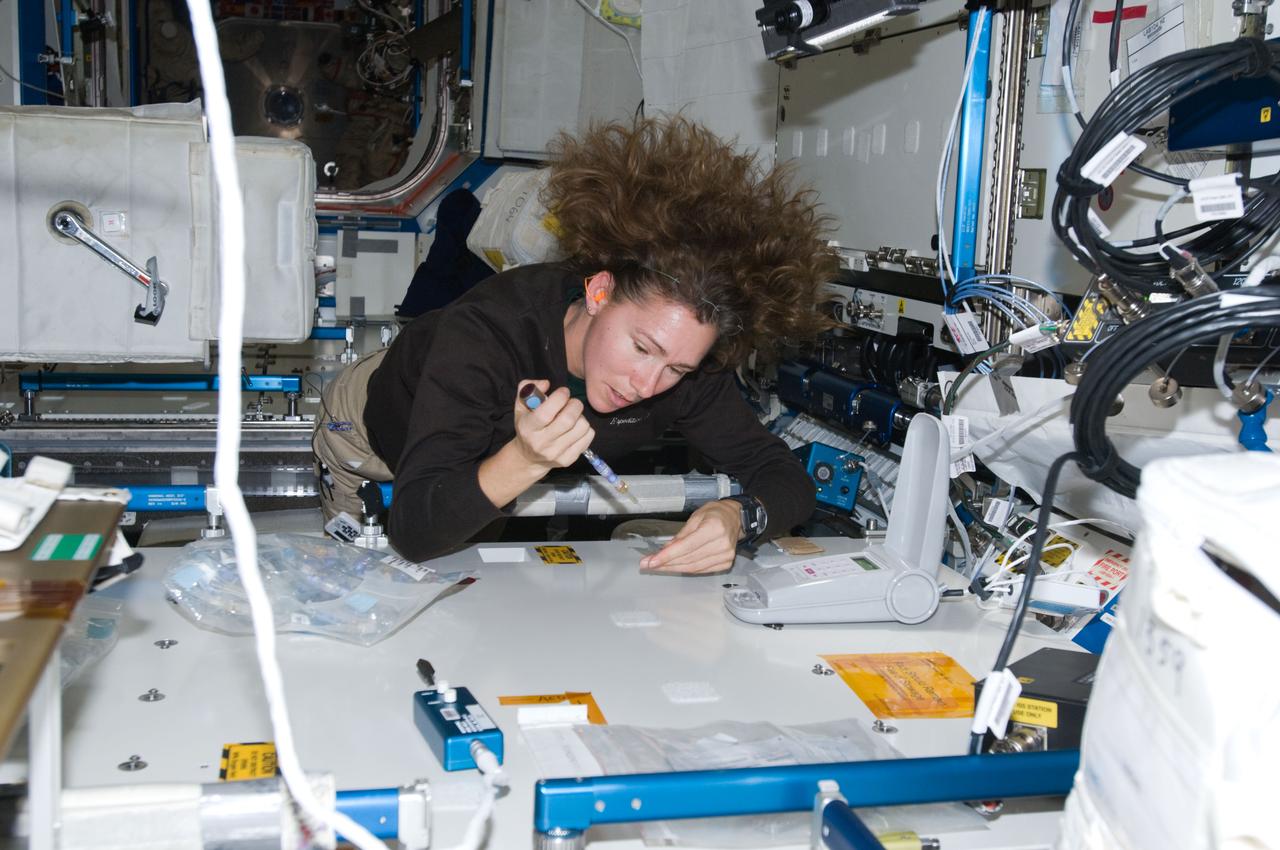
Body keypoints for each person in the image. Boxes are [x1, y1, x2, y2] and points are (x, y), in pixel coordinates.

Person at [312, 116, 837, 571]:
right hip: (374, 425)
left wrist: (739, 515)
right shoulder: (486, 335)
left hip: (484, 470)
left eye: (676, 369)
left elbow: (782, 475)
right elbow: (415, 529)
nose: (648, 385)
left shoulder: (684, 362)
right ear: (599, 291)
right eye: (642, 348)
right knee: (353, 565)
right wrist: (524, 458)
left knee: (471, 564)